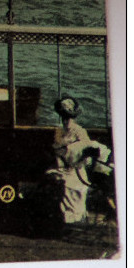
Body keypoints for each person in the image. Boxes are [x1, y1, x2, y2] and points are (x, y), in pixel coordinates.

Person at [45, 96, 112, 226]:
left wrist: (70, 153)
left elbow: (86, 152)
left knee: (73, 186)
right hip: (62, 165)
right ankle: (65, 217)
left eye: (68, 117)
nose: (66, 120)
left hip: (76, 168)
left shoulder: (79, 131)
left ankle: (74, 218)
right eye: (64, 116)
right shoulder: (59, 130)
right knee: (58, 181)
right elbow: (56, 149)